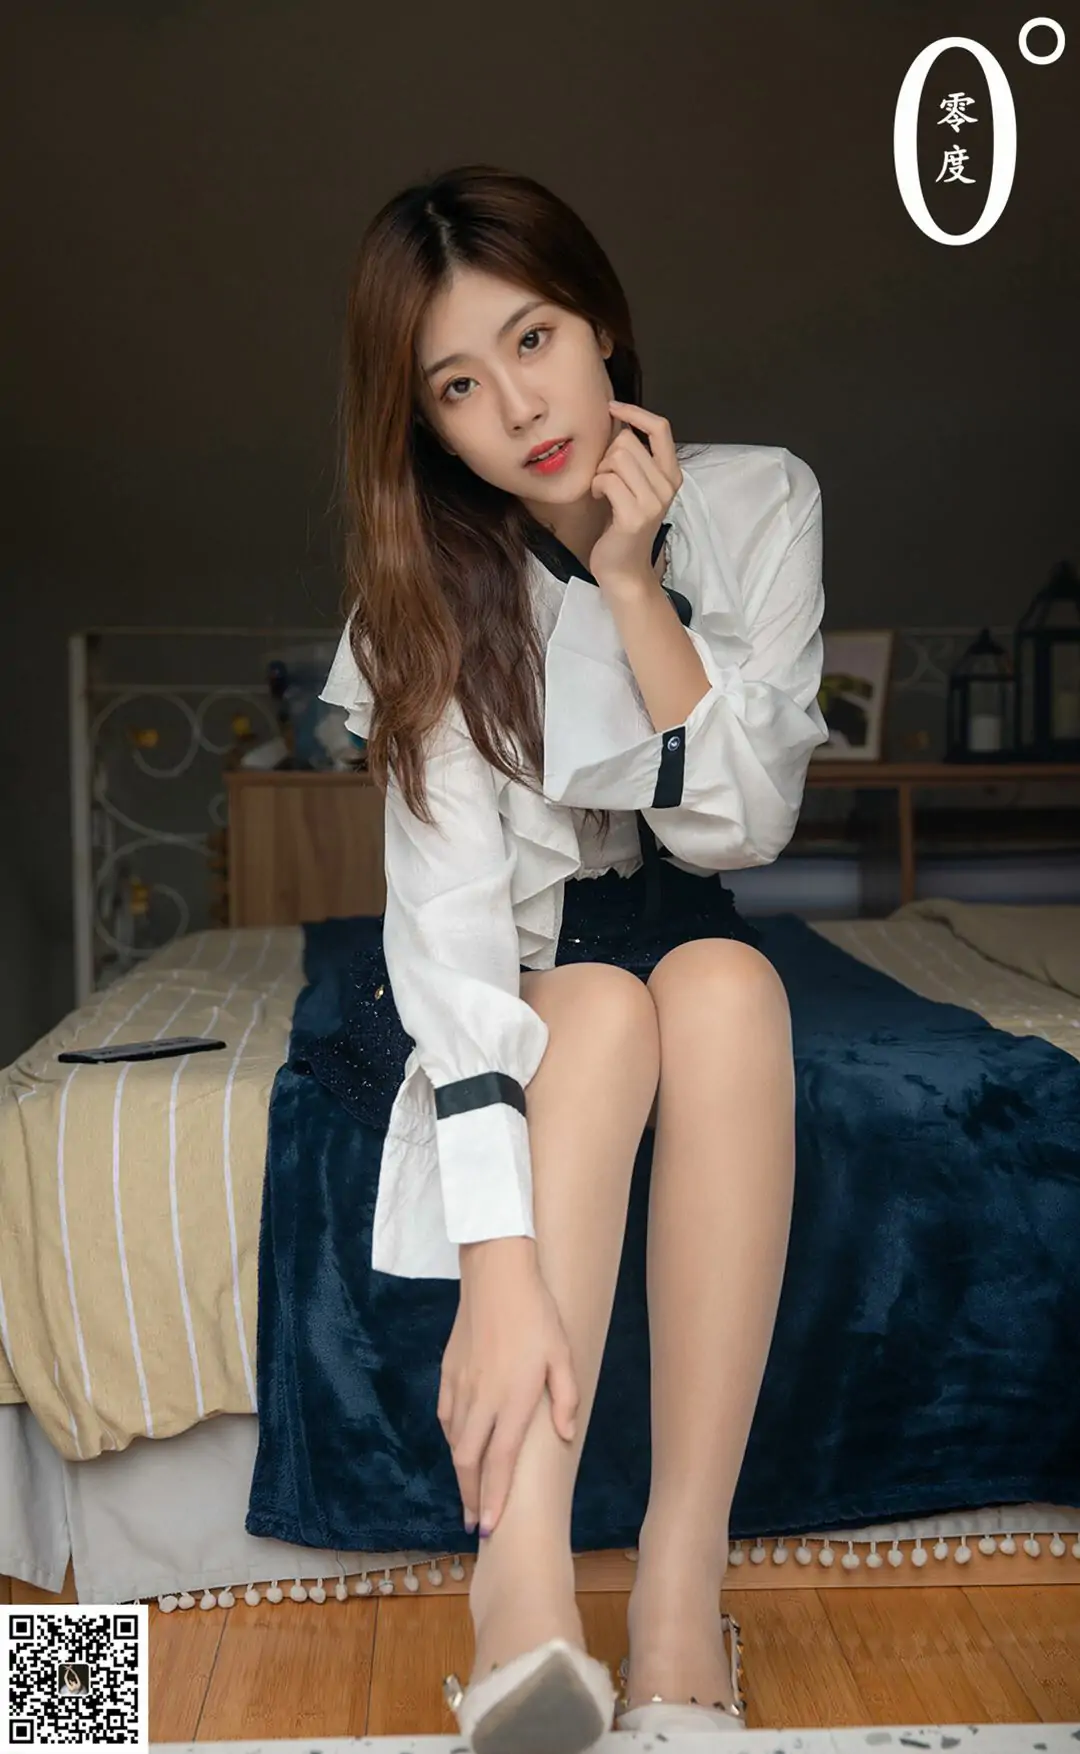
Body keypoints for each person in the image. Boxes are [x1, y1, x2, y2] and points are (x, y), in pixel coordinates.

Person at [319, 162, 828, 1753]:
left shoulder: (759, 502)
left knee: (731, 985)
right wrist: (494, 1267)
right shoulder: (423, 593)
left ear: (601, 321)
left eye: (533, 339)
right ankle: (522, 1582)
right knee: (596, 1011)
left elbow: (742, 826)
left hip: (685, 911)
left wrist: (626, 574)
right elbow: (453, 924)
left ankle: (682, 1583)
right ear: (427, 426)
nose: (519, 407)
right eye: (458, 386)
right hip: (518, 959)